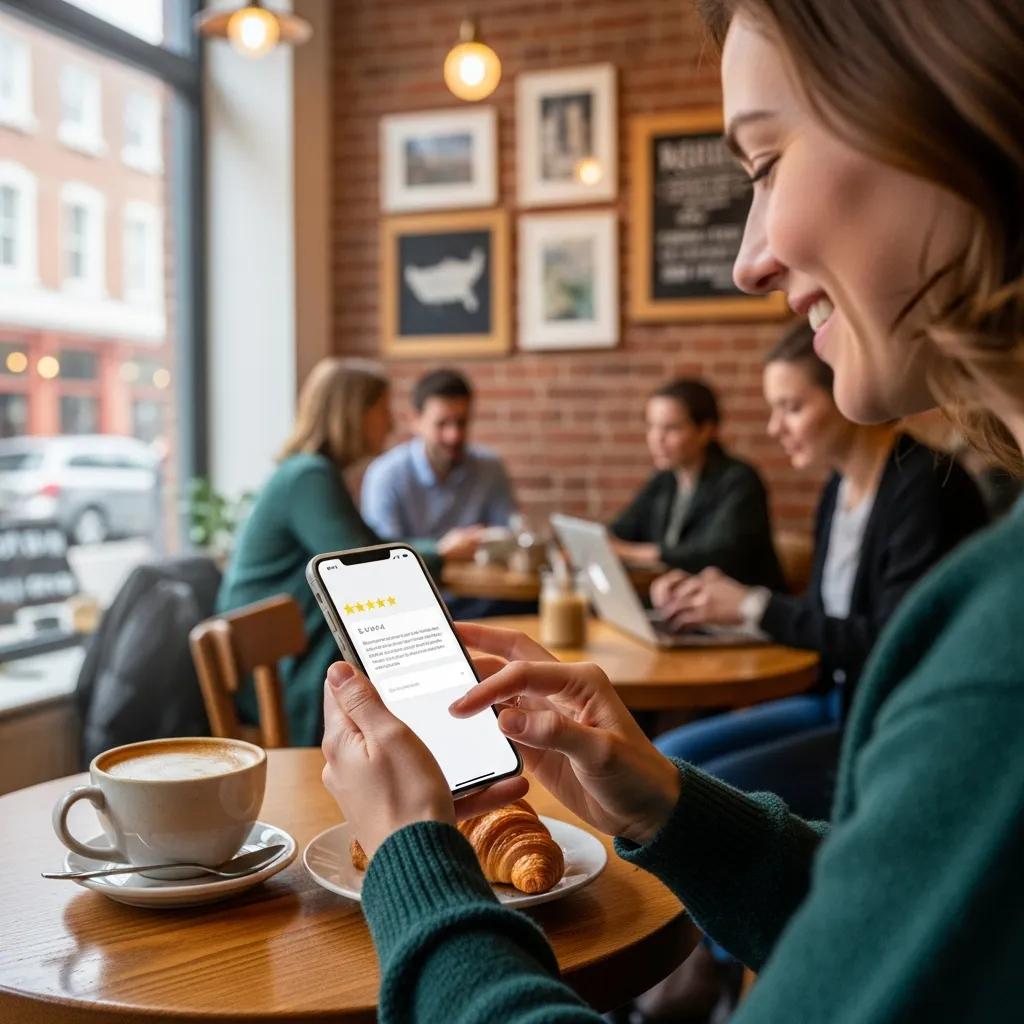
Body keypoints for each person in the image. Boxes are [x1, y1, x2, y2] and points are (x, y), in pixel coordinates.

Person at [318, 2, 1024, 1021]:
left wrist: (411, 864)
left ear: (959, 109)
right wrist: (665, 801)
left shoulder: (996, 653)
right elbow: (899, 928)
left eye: (764, 163)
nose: (747, 258)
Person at [650, 321, 987, 818]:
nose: (774, 426)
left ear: (847, 392)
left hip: (890, 725)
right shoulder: (838, 486)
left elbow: (892, 642)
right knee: (665, 754)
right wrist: (726, 610)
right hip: (839, 702)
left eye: (792, 406)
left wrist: (755, 607)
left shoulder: (926, 487)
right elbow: (823, 620)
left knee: (694, 792)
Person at [216, 359, 480, 746]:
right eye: (382, 410)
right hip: (275, 676)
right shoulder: (309, 477)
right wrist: (440, 552)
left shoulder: (312, 473)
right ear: (353, 414)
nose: (390, 424)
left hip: (286, 658)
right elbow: (363, 566)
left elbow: (369, 548)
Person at [609, 378, 785, 589]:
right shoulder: (664, 480)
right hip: (682, 603)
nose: (657, 438)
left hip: (740, 611)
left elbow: (715, 554)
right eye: (651, 427)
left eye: (671, 428)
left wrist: (630, 552)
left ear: (705, 431)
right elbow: (621, 530)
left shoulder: (739, 481)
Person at [361, 368, 516, 542]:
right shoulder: (385, 474)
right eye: (441, 424)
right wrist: (443, 550)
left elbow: (508, 537)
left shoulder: (490, 468)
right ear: (415, 421)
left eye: (461, 422)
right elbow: (383, 552)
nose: (454, 435)